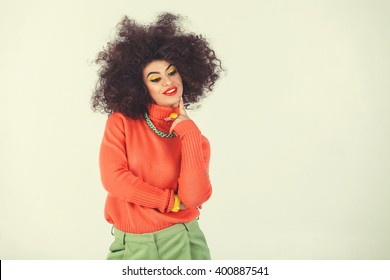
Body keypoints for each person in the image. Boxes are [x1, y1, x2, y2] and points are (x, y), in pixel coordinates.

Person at [91, 12, 222, 260]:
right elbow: (114, 179)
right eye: (155, 78)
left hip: (185, 241)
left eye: (172, 72)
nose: (167, 81)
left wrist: (189, 132)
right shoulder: (121, 123)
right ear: (141, 87)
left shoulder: (194, 138)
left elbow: (193, 198)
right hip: (133, 246)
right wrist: (169, 202)